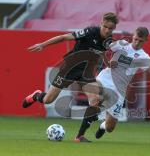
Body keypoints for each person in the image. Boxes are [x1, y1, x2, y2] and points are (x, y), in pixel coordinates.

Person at [22, 12, 119, 141]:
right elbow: (63, 37)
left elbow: (101, 53)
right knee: (48, 100)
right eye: (105, 27)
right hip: (70, 68)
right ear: (101, 23)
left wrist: (108, 63)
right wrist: (42, 45)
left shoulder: (109, 40)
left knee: (95, 100)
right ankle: (36, 95)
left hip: (86, 72)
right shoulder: (89, 32)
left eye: (110, 28)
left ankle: (80, 136)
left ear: (114, 28)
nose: (107, 30)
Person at [75, 27, 150, 142]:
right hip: (105, 79)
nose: (137, 43)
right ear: (133, 36)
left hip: (119, 89)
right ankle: (79, 136)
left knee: (110, 127)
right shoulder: (122, 44)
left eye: (140, 41)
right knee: (96, 99)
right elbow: (105, 47)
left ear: (146, 40)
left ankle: (102, 126)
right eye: (135, 39)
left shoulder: (144, 57)